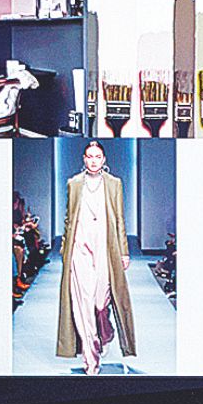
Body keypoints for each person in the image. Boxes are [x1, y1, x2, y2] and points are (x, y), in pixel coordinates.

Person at [55, 142, 139, 371]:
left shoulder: (114, 184)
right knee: (82, 302)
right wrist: (65, 249)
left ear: (103, 159)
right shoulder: (74, 183)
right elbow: (68, 218)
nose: (93, 160)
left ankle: (106, 331)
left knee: (100, 301)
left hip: (104, 245)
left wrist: (123, 251)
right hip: (79, 248)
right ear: (84, 158)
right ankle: (91, 359)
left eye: (97, 156)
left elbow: (120, 219)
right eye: (89, 156)